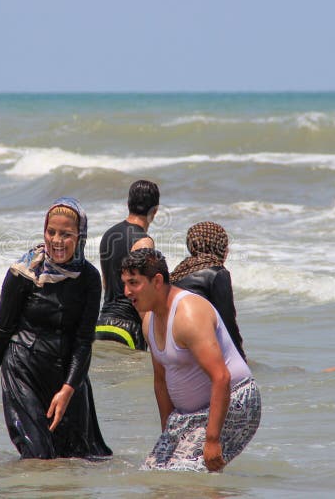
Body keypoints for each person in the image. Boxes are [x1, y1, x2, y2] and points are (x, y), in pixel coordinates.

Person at [0, 197, 112, 460]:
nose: (56, 240)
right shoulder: (24, 273)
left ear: (80, 237)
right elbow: (3, 330)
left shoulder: (90, 278)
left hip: (67, 375)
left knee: (80, 458)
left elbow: (84, 341)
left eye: (66, 234)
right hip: (23, 368)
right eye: (51, 232)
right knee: (38, 455)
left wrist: (69, 389)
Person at [121, 249, 260, 472]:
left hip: (236, 400)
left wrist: (212, 440)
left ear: (157, 281)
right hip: (188, 415)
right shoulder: (149, 321)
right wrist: (169, 434)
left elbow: (221, 376)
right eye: (124, 283)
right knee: (152, 472)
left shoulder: (188, 314)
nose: (126, 291)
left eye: (133, 283)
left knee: (183, 474)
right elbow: (161, 382)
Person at [94, 179, 159, 350]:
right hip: (128, 328)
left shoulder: (108, 235)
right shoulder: (144, 242)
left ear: (128, 203)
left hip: (101, 325)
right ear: (155, 210)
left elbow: (106, 283)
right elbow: (140, 293)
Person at [171, 221, 246, 362]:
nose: (227, 249)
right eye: (225, 244)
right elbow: (227, 321)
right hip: (200, 348)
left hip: (176, 346)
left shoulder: (179, 271)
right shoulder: (217, 272)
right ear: (218, 246)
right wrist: (241, 359)